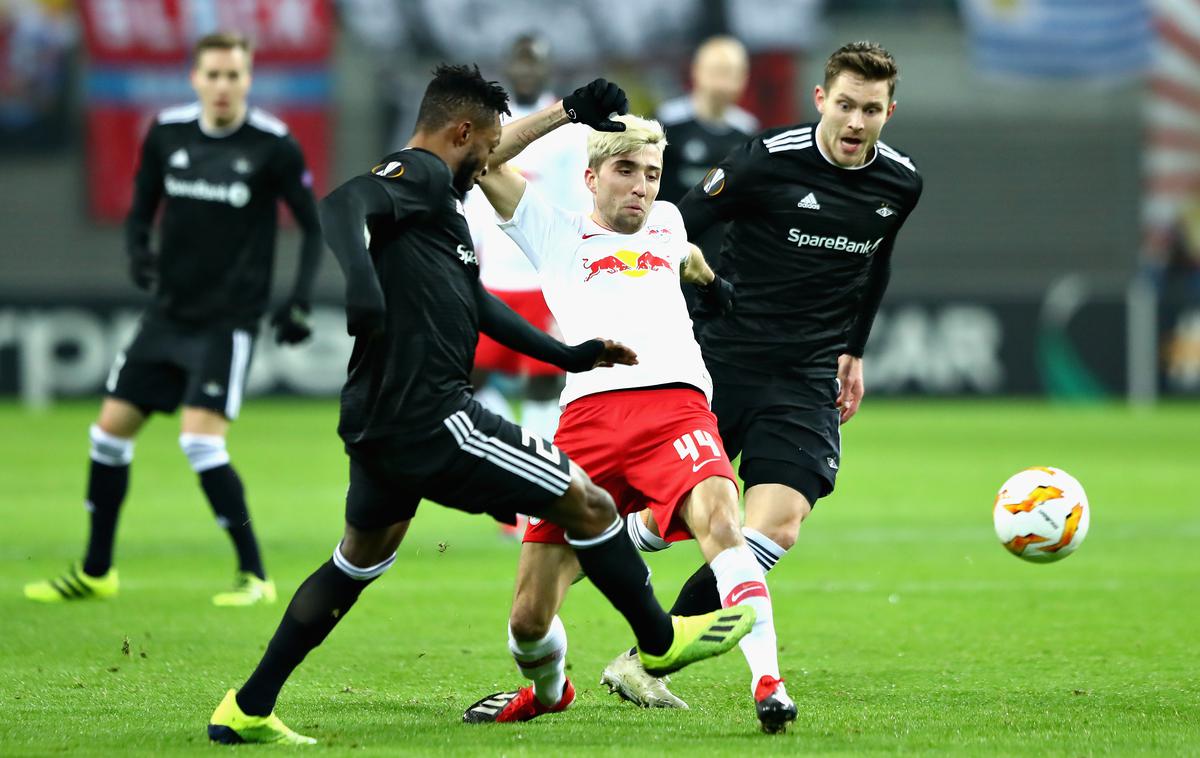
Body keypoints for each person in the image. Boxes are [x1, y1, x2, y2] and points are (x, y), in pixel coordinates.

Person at [205, 66, 754, 746]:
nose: (492, 154)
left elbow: (476, 303)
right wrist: (360, 287)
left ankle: (248, 705)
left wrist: (570, 356)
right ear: (465, 133)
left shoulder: (444, 214)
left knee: (356, 562)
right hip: (433, 417)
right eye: (488, 140)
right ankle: (661, 638)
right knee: (588, 502)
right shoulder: (426, 175)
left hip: (376, 421)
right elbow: (341, 203)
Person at [605, 40, 925, 705]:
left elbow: (878, 262)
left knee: (775, 527)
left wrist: (854, 350)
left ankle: (644, 661)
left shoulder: (900, 183)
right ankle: (623, 541)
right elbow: (674, 224)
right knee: (660, 514)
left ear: (890, 110)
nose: (856, 123)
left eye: (871, 109)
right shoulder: (764, 160)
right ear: (820, 100)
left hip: (805, 374)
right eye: (845, 105)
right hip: (718, 362)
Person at [459, 108, 795, 734]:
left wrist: (710, 282)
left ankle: (768, 684)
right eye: (626, 171)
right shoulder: (552, 230)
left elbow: (685, 250)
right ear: (590, 178)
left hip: (677, 408)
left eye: (652, 173)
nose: (642, 185)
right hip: (586, 423)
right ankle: (550, 690)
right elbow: (482, 157)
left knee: (723, 520)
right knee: (529, 620)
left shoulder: (666, 220)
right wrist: (564, 114)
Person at [23, 32, 322, 608]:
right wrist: (137, 247)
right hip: (167, 315)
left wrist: (299, 300)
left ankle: (255, 576)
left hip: (227, 320)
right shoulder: (167, 134)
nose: (222, 86)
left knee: (199, 442)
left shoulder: (273, 145)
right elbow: (142, 202)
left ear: (248, 79)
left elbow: (310, 227)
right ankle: (96, 571)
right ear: (195, 78)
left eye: (233, 75)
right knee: (107, 436)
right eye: (212, 75)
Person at [465, 33, 591, 539]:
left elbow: (579, 199)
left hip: (542, 276)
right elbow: (472, 196)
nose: (526, 70)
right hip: (492, 275)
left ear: (547, 68)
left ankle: (535, 492)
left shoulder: (568, 131)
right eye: (519, 61)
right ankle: (513, 477)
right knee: (471, 379)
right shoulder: (485, 125)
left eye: (535, 62)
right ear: (507, 66)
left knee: (544, 382)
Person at [657, 36, 759, 320]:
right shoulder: (667, 124)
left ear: (744, 78)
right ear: (697, 71)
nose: (723, 81)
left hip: (720, 266)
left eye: (731, 73)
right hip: (665, 258)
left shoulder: (748, 134)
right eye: (716, 70)